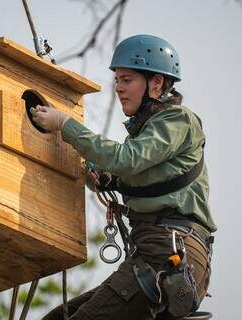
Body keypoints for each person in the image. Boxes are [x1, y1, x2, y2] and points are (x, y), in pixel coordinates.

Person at [31, 34, 216, 320]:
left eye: (127, 80)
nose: (118, 88)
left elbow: (125, 161)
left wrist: (66, 125)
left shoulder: (177, 120)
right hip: (152, 254)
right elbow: (115, 171)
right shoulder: (148, 133)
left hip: (168, 253)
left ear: (156, 83)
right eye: (117, 80)